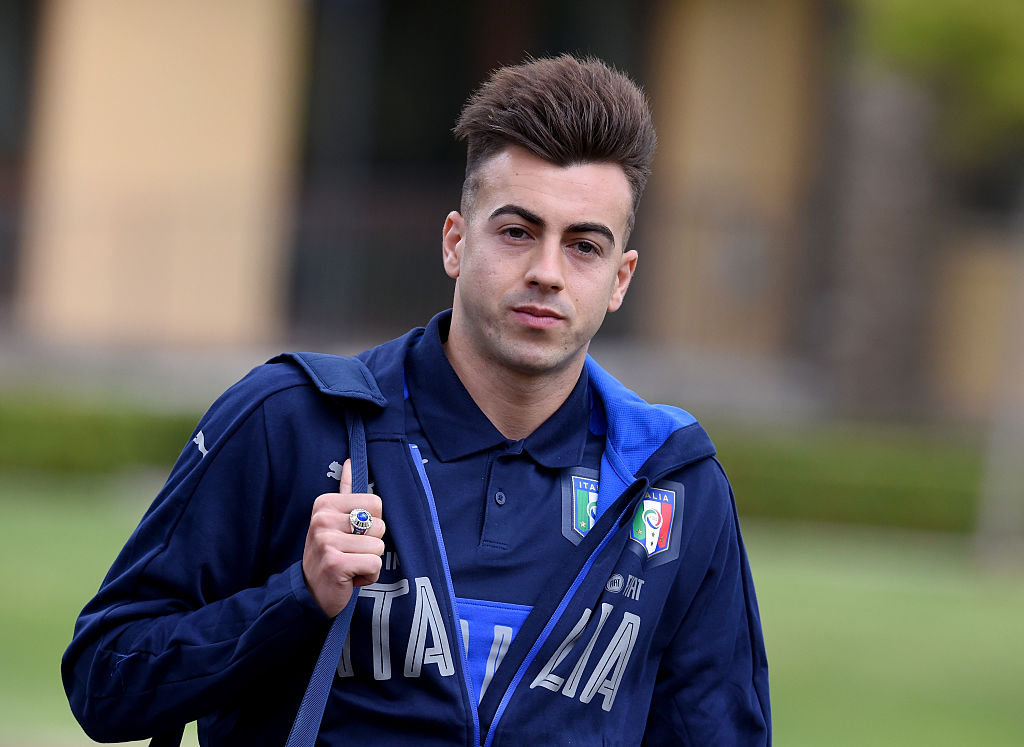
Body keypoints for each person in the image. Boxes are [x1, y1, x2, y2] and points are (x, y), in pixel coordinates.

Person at [63, 54, 770, 745]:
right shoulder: (292, 420)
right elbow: (105, 678)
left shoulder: (673, 483)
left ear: (621, 278)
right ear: (456, 243)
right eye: (517, 232)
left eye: (584, 246)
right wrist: (296, 598)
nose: (547, 272)